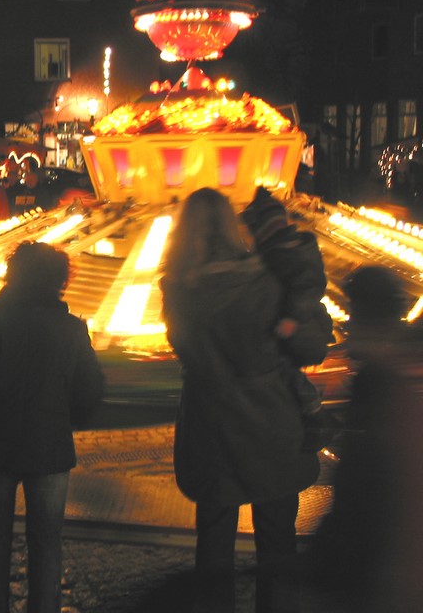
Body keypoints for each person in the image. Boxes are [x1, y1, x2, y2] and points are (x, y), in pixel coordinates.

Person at [159, 187, 322, 613]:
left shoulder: (177, 289)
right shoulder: (266, 280)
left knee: (213, 543)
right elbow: (308, 349)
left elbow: (184, 347)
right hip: (272, 422)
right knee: (278, 546)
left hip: (212, 425)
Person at [0, 241, 104, 613]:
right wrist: (68, 417)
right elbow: (90, 390)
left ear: (12, 276)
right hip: (49, 444)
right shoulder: (72, 330)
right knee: (46, 540)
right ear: (59, 280)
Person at [308, 266, 423, 612]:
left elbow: (363, 480)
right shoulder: (402, 368)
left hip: (381, 561)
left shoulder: (378, 380)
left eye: (353, 313)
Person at [239, 186, 333, 421]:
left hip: (300, 328)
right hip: (292, 323)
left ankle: (310, 403)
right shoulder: (281, 249)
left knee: (282, 364)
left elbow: (308, 288)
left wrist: (292, 318)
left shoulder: (292, 251)